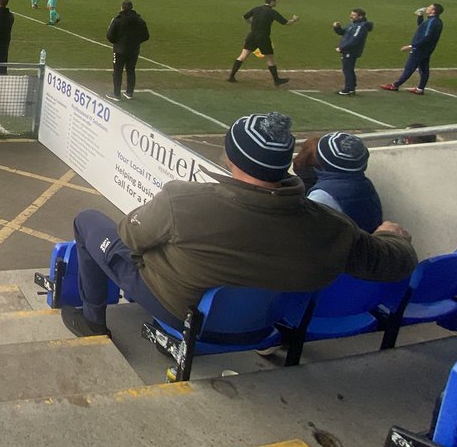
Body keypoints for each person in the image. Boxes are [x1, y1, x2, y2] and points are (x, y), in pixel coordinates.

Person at [62, 112, 417, 338]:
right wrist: (393, 236)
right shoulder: (332, 226)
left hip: (179, 310)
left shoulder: (182, 200)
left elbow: (130, 237)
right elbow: (396, 261)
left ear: (231, 158)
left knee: (88, 221)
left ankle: (93, 321)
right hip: (261, 327)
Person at [298, 132, 383, 234]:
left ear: (323, 161)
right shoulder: (366, 184)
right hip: (368, 246)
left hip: (346, 248)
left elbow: (306, 233)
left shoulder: (322, 195)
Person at [227, 0, 297, 86]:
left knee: (242, 56)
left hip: (252, 36)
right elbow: (286, 23)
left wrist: (252, 23)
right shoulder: (272, 12)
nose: (277, 2)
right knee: (270, 59)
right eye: (276, 0)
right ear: (272, 1)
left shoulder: (256, 9)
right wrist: (294, 20)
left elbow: (245, 17)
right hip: (263, 38)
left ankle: (231, 76)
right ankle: (276, 80)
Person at [381, 4, 445, 95]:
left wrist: (412, 46)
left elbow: (427, 36)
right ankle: (420, 88)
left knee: (410, 67)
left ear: (433, 11)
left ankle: (395, 85)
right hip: (427, 49)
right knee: (424, 69)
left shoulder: (433, 22)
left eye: (430, 7)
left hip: (420, 49)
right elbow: (421, 26)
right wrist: (420, 16)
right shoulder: (434, 21)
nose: (427, 8)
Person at [105, 0, 150, 101]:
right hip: (134, 51)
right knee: (131, 70)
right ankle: (130, 92)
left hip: (119, 51)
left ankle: (116, 94)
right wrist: (136, 42)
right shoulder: (140, 20)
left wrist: (117, 42)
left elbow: (110, 36)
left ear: (122, 8)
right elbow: (146, 36)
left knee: (117, 71)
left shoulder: (117, 20)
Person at [333, 8, 373, 95]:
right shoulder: (353, 24)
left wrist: (342, 48)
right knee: (348, 69)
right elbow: (343, 32)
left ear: (360, 17)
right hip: (348, 50)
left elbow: (355, 40)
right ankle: (351, 87)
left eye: (354, 15)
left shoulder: (360, 27)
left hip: (351, 51)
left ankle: (348, 89)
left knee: (347, 69)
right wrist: (337, 28)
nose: (351, 16)